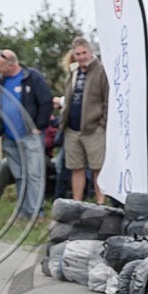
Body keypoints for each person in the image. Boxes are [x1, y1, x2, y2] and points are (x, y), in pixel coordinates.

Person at [0, 49, 53, 219]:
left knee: (34, 174)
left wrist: (39, 125)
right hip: (9, 137)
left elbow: (46, 101)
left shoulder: (32, 77)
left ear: (11, 64)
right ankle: (23, 211)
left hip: (30, 135)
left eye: (0, 66)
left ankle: (36, 212)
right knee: (19, 175)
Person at [59, 37, 109, 204]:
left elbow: (107, 99)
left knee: (98, 168)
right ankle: (77, 203)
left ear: (91, 52)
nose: (81, 57)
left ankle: (100, 203)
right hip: (72, 128)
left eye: (84, 53)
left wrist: (102, 124)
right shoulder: (73, 72)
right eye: (78, 54)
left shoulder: (101, 71)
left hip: (94, 129)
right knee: (76, 168)